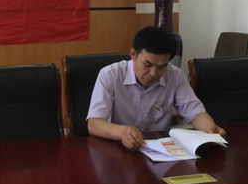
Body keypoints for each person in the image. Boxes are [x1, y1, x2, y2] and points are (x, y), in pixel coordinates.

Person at [87, 26, 226, 150]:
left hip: (160, 150)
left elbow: (195, 113)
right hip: (117, 148)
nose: (153, 73)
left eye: (161, 67)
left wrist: (211, 130)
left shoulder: (175, 76)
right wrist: (123, 132)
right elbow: (93, 124)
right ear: (133, 54)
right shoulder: (111, 75)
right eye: (147, 65)